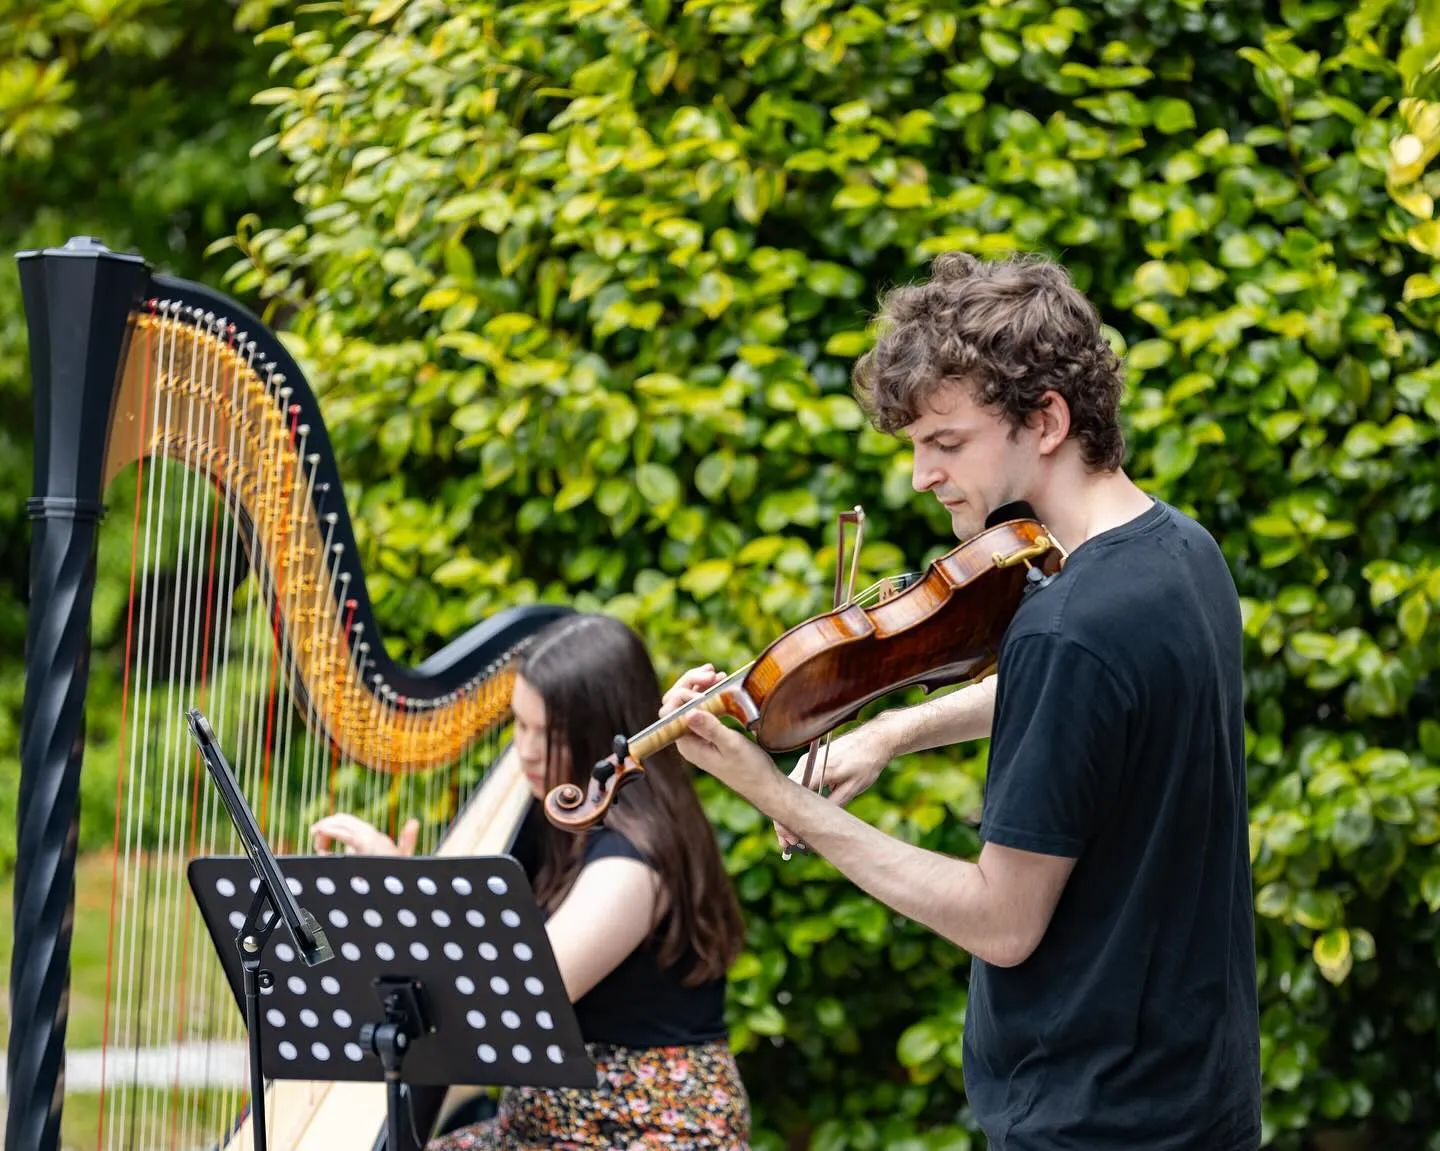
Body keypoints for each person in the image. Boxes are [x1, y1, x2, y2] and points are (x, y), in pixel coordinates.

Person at [662, 252, 1261, 1150]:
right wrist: (896, 728)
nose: (919, 475)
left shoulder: (1068, 628)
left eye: (945, 444)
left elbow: (1002, 920)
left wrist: (776, 795)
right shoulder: (1181, 553)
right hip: (1199, 1097)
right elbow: (1087, 711)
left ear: (1047, 419)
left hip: (1095, 1118)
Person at [311, 612, 750, 1150]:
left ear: (601, 732)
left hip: (640, 1131)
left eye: (550, 733)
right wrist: (408, 891)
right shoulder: (556, 817)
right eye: (520, 725)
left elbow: (512, 1004)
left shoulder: (630, 865)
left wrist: (403, 902)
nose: (527, 751)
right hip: (551, 1124)